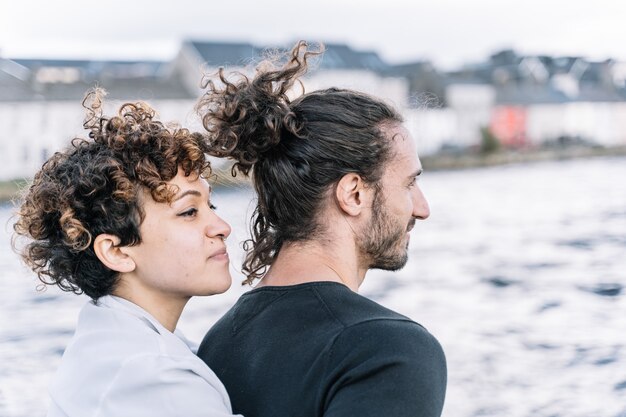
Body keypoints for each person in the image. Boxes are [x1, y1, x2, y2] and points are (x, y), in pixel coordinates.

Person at [196, 41, 447, 417]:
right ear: (353, 193)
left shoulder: (215, 344)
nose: (422, 209)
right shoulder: (389, 352)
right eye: (409, 184)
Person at [13, 89, 242, 417]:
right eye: (189, 212)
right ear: (116, 251)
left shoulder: (113, 349)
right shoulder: (152, 378)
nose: (222, 227)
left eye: (211, 205)